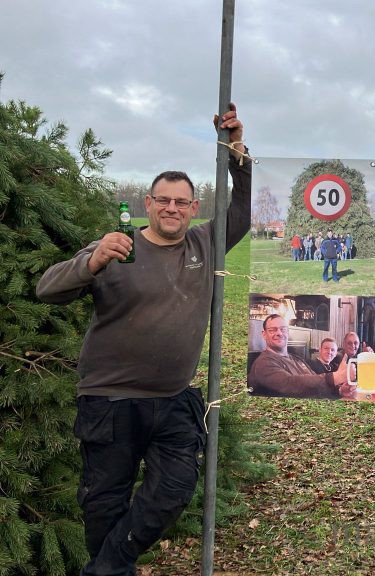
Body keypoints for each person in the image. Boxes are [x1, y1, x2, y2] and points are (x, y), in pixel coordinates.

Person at [35, 104, 251, 575]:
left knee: (174, 488)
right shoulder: (118, 247)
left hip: (173, 402)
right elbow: (46, 291)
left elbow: (244, 209)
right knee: (104, 507)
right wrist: (89, 263)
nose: (172, 209)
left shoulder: (204, 244)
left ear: (194, 208)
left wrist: (237, 152)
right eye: (163, 200)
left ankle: (105, 569)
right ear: (147, 204)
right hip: (109, 404)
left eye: (182, 202)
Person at [249, 315, 355, 399]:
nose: (279, 333)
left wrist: (339, 391)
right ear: (264, 334)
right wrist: (335, 377)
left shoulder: (296, 359)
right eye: (272, 330)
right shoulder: (264, 363)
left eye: (283, 329)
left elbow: (314, 386)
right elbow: (290, 384)